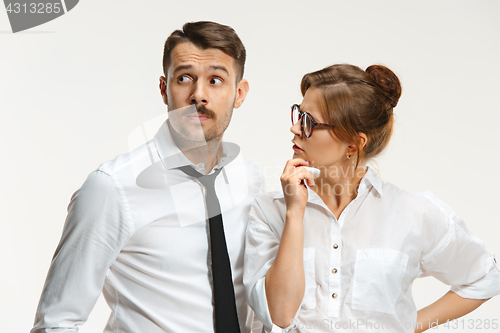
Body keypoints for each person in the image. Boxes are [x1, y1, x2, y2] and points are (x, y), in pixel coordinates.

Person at [32, 21, 264, 333]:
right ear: (163, 88)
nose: (199, 95)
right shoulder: (113, 187)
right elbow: (56, 322)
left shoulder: (249, 179)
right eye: (184, 78)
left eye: (215, 80)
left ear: (239, 93)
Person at [243, 63, 500, 332]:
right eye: (297, 115)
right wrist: (294, 214)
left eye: (309, 122)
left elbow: (484, 278)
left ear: (353, 144)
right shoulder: (269, 211)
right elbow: (278, 317)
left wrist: (408, 325)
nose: (295, 129)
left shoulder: (412, 213)